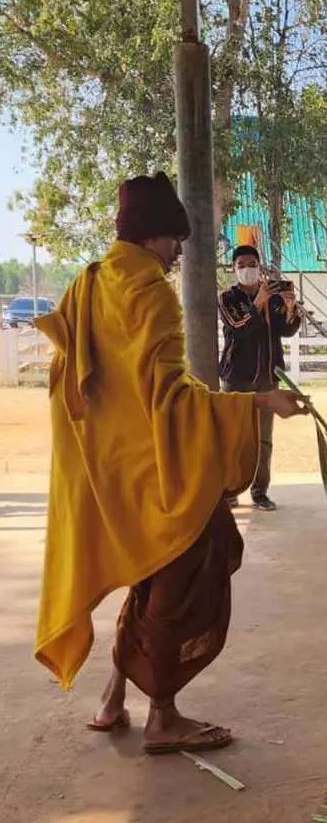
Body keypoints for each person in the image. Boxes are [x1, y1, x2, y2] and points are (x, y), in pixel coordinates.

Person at [33, 172, 307, 755]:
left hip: (108, 470)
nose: (180, 251)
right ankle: (162, 714)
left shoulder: (87, 283)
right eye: (175, 239)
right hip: (157, 466)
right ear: (155, 236)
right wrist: (257, 402)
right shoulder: (149, 292)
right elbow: (170, 400)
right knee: (187, 569)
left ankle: (112, 697)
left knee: (151, 575)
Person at [218, 245, 303, 512]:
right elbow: (238, 329)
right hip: (237, 379)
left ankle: (260, 491)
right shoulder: (226, 298)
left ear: (260, 266)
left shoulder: (273, 298)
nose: (247, 269)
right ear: (234, 269)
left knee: (264, 439)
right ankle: (231, 491)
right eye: (241, 264)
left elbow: (287, 330)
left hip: (267, 376)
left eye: (252, 263)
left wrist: (290, 306)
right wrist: (258, 302)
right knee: (234, 437)